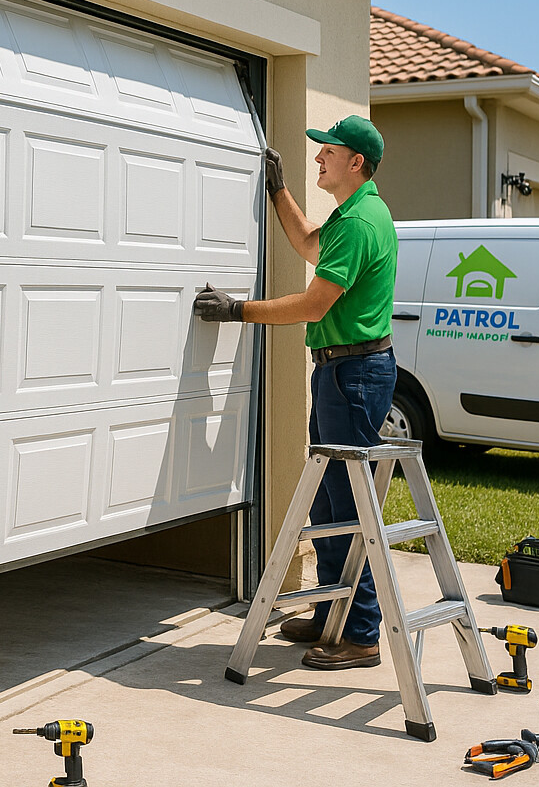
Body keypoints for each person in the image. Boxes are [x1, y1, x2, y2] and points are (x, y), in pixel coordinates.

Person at [194, 115, 397, 671]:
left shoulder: (360, 222)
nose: (318, 159)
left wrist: (238, 311)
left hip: (353, 375)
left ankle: (359, 634)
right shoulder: (353, 214)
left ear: (356, 161)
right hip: (342, 373)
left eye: (327, 152)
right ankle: (334, 614)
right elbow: (309, 244)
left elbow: (313, 305)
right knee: (331, 500)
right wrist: (279, 190)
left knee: (349, 506)